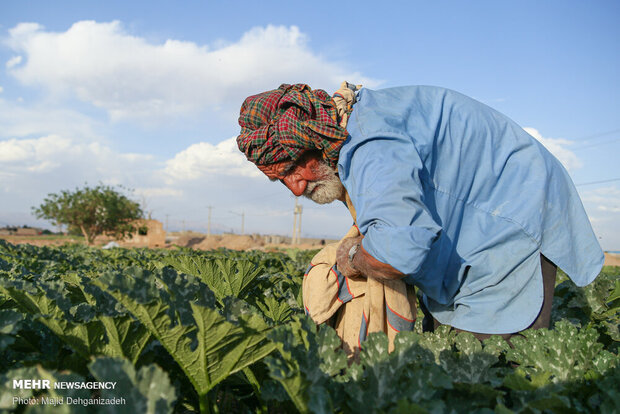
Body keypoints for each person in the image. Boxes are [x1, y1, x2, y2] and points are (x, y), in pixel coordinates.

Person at [236, 82, 604, 348]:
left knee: (487, 365)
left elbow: (397, 253)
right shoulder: (351, 122)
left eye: (296, 170)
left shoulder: (370, 147)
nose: (297, 189)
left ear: (315, 141)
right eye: (281, 181)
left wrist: (352, 258)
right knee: (443, 346)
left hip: (514, 215)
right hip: (477, 216)